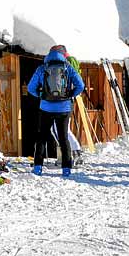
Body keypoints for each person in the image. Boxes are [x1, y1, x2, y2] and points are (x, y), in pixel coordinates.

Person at [26, 45, 85, 177]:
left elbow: (30, 88)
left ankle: (37, 167)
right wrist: (70, 95)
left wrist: (41, 96)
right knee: (63, 138)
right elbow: (81, 85)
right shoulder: (68, 68)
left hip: (46, 107)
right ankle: (66, 169)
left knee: (42, 137)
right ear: (63, 55)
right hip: (64, 108)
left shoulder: (42, 68)